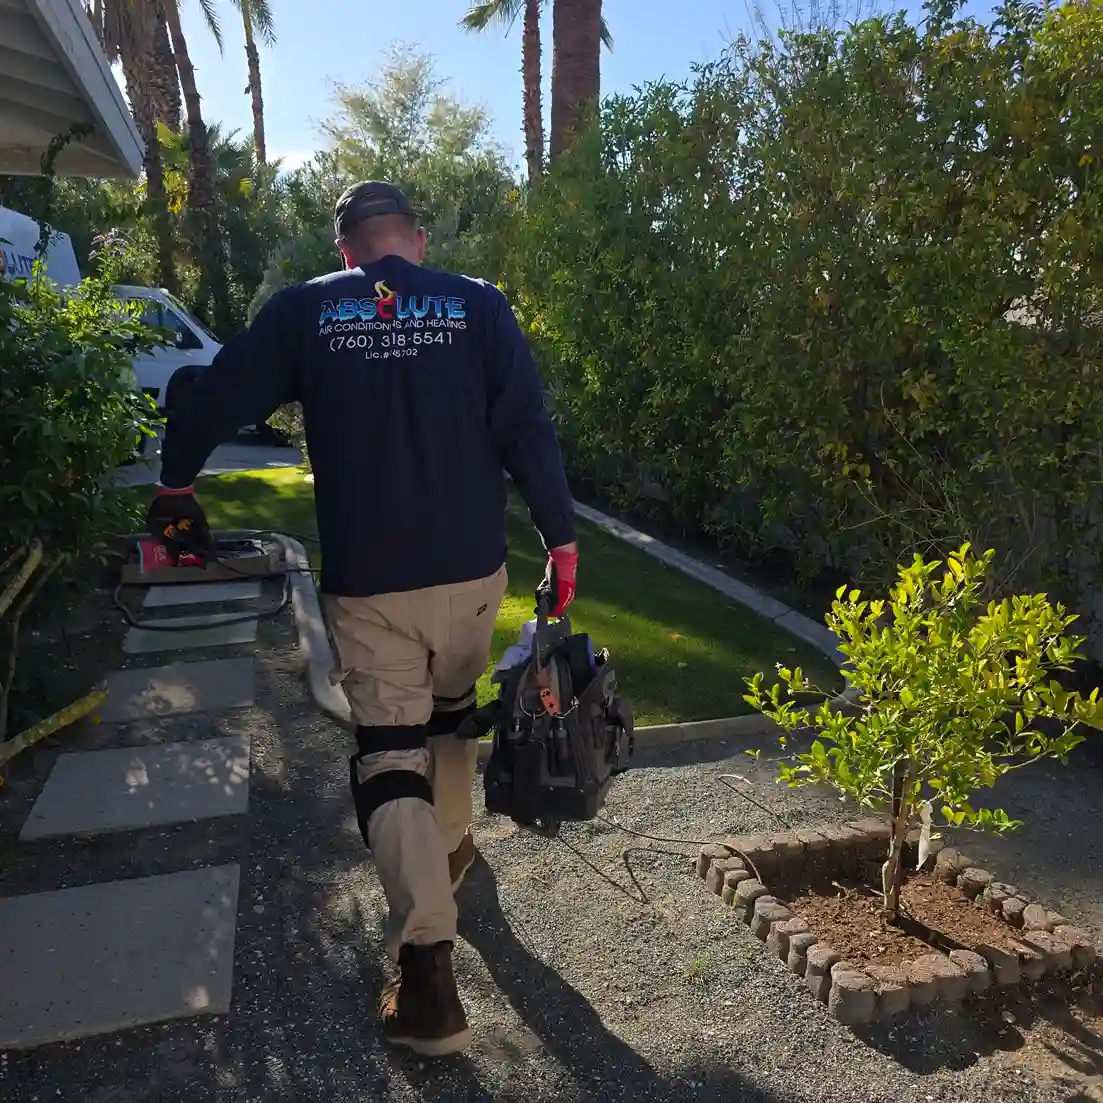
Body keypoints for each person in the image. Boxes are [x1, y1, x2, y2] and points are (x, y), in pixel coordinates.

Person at [147, 181, 579, 1057]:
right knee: (451, 719)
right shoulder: (478, 306)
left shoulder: (308, 309)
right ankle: (448, 851)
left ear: (346, 248)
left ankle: (426, 974)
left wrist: (174, 483)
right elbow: (527, 428)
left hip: (372, 580)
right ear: (414, 240)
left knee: (390, 752)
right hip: (472, 574)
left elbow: (212, 395)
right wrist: (560, 541)